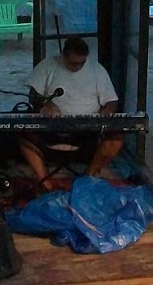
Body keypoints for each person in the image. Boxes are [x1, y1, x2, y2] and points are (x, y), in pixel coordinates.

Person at [18, 36, 124, 185]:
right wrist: (46, 105)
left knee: (116, 138)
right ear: (63, 56)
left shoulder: (97, 69)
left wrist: (107, 111)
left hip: (87, 130)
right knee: (22, 133)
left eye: (82, 62)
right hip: (51, 128)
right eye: (73, 63)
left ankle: (88, 177)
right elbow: (33, 95)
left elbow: (112, 101)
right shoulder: (48, 65)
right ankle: (44, 182)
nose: (77, 67)